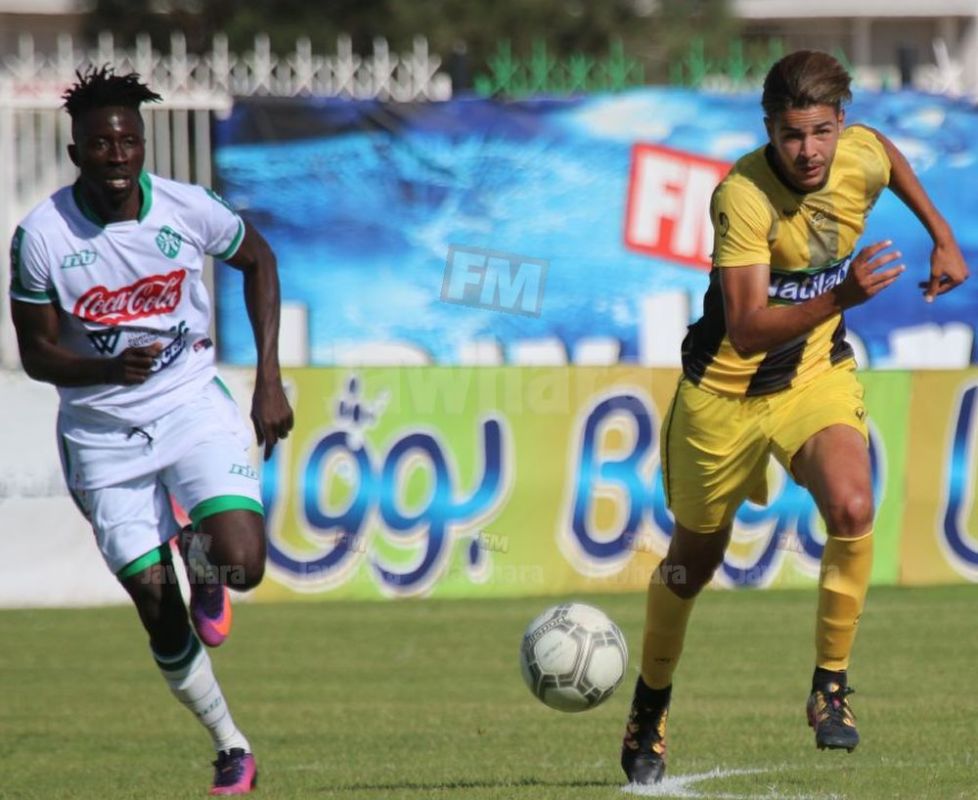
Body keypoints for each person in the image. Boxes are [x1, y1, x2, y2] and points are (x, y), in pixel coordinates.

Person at [620, 50, 969, 784]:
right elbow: (748, 328)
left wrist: (941, 233)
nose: (808, 151)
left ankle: (830, 688)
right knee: (690, 566)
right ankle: (650, 704)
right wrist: (842, 297)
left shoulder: (859, 152)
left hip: (812, 374)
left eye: (820, 132)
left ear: (840, 121)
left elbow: (887, 156)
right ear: (768, 130)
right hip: (721, 395)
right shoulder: (741, 196)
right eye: (790, 135)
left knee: (853, 505)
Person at [9, 66, 294, 796]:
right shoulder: (41, 236)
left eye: (128, 141)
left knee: (243, 564)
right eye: (101, 144)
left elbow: (258, 258)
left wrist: (268, 378)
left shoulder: (185, 208)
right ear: (76, 152)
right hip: (102, 438)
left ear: (143, 145)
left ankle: (201, 554)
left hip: (189, 404)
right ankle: (231, 747)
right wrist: (104, 369)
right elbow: (37, 354)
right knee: (158, 608)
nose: (116, 155)